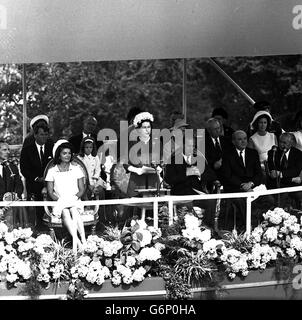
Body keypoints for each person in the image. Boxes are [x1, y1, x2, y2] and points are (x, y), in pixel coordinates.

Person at [164, 134, 217, 228]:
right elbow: (168, 179)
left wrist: (200, 174)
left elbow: (212, 175)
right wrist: (186, 173)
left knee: (211, 201)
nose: (192, 148)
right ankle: (188, 231)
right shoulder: (173, 159)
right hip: (180, 194)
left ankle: (207, 228)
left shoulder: (199, 159)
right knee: (187, 205)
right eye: (189, 145)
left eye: (193, 146)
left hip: (197, 193)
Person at [45, 140, 86, 252]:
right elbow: (50, 192)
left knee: (74, 210)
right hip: (60, 202)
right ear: (59, 155)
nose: (67, 155)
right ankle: (78, 242)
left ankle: (83, 240)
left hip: (74, 200)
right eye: (64, 153)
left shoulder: (77, 169)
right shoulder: (52, 171)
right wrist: (61, 200)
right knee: (65, 212)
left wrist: (74, 198)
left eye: (69, 153)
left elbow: (82, 189)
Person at [220, 130, 264, 230]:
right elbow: (227, 176)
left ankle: (262, 224)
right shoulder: (227, 155)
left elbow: (259, 174)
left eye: (245, 139)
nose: (243, 141)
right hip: (235, 188)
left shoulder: (253, 153)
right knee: (241, 201)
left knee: (268, 199)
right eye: (240, 139)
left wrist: (251, 184)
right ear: (233, 141)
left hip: (252, 187)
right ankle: (249, 227)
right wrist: (242, 185)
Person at [20, 122, 53, 230]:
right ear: (35, 135)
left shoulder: (51, 146)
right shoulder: (27, 149)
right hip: (34, 183)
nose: (44, 137)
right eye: (42, 134)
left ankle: (52, 227)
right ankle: (37, 227)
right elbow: (24, 169)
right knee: (37, 207)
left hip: (51, 183)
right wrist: (37, 178)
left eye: (46, 134)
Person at [123, 111, 159, 197]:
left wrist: (159, 167)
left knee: (153, 208)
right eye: (144, 127)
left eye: (149, 127)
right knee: (137, 209)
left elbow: (161, 161)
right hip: (137, 181)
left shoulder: (156, 143)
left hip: (153, 181)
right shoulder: (131, 144)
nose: (147, 130)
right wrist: (137, 170)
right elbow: (125, 163)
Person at [267, 132, 302, 208]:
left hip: (293, 185)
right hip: (277, 184)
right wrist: (292, 179)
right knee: (283, 195)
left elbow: (296, 170)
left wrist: (281, 174)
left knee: (299, 195)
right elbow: (273, 174)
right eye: (280, 142)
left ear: (291, 143)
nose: (281, 145)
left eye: (284, 143)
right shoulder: (272, 153)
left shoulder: (298, 153)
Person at [0, 141, 24, 230]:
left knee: (9, 231)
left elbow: (19, 185)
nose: (8, 152)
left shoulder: (12, 167)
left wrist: (15, 195)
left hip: (9, 206)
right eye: (4, 150)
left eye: (8, 150)